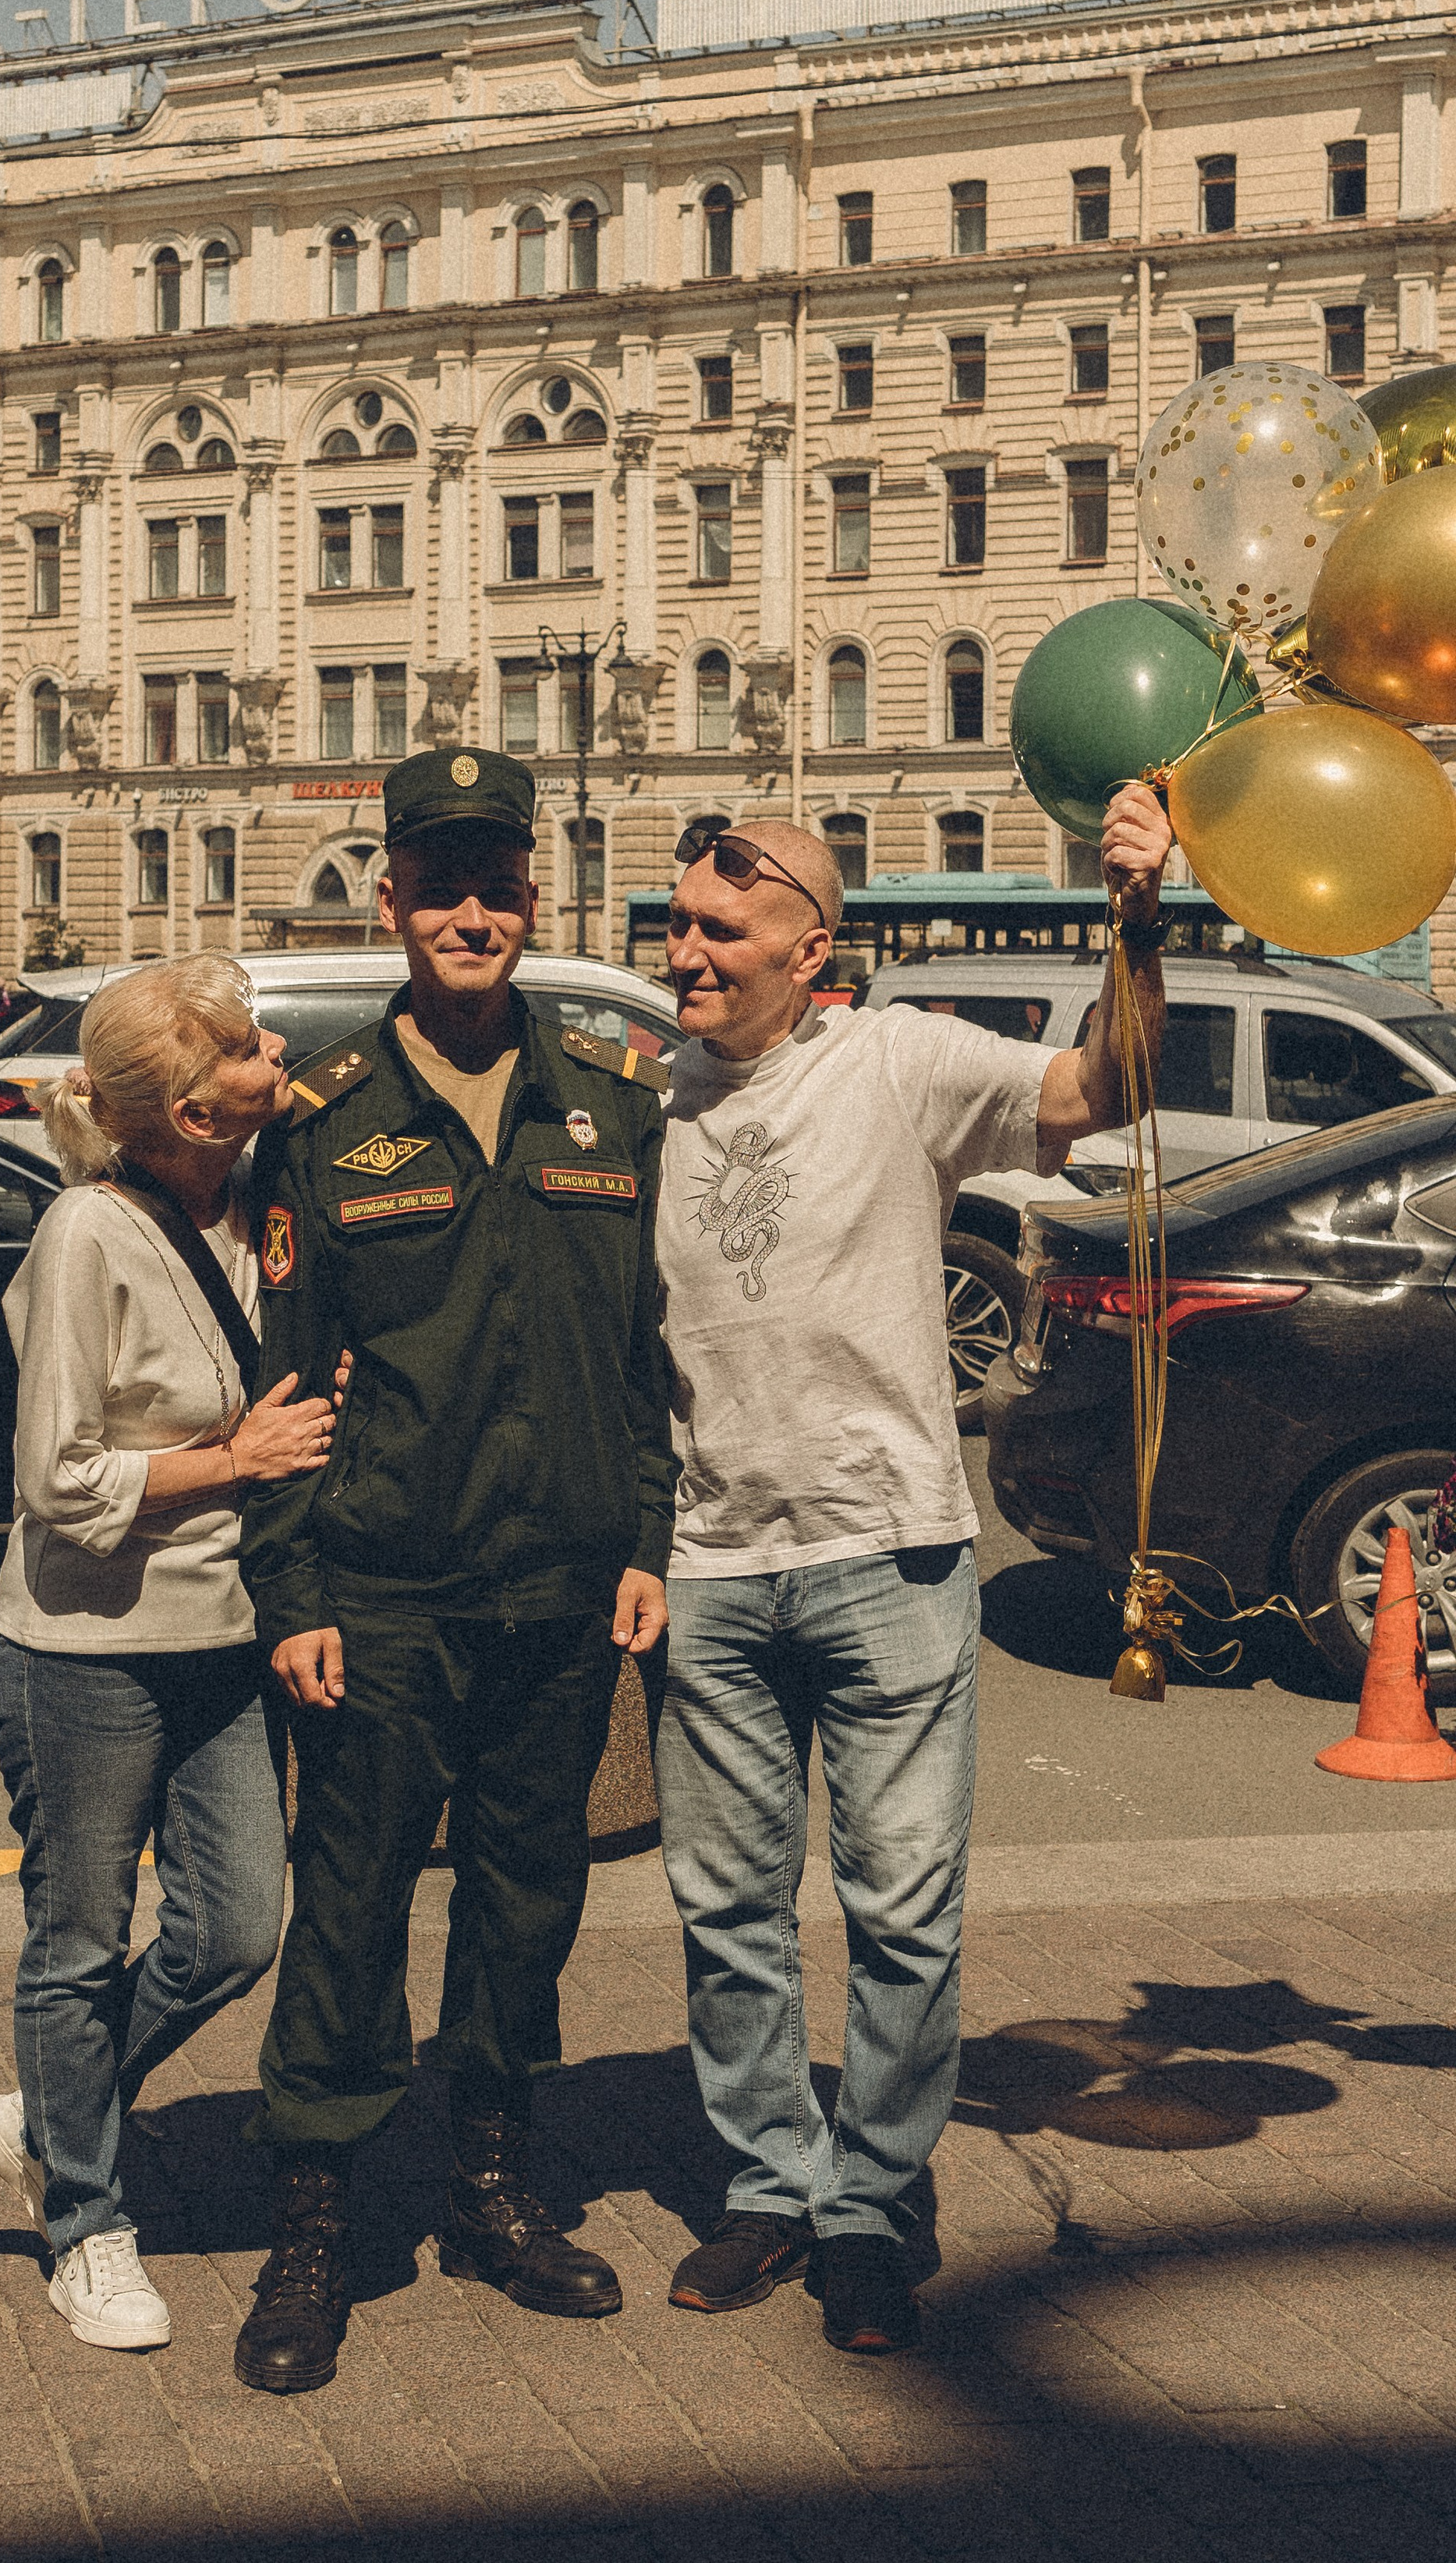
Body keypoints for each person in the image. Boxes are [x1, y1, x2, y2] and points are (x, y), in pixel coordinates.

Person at [653, 782, 1171, 2354]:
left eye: (716, 928)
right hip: (710, 1564)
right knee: (729, 1908)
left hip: (885, 1552)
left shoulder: (901, 1059)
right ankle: (763, 2182)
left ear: (811, 952)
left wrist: (1132, 918)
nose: (683, 949)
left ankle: (866, 2207)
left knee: (901, 1913)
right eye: (675, 922)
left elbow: (1106, 1089)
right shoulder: (646, 1097)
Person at [232, 746, 676, 2397]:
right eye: (440, 881)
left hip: (559, 1590)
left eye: (497, 882)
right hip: (384, 1592)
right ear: (393, 894)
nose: (470, 911)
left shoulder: (608, 1099)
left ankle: (494, 2186)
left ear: (532, 897)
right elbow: (285, 1381)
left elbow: (641, 1358)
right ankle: (317, 2223)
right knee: (345, 1914)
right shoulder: (325, 1119)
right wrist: (293, 1596)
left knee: (525, 1904)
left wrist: (645, 1539)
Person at [0, 956, 341, 2354]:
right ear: (192, 1108)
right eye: (250, 1047)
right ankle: (86, 2227)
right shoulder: (86, 1232)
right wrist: (233, 1459)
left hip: (223, 1635)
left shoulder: (259, 1207)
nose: (276, 1052)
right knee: (77, 1940)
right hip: (83, 1648)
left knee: (238, 1925)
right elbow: (58, 1477)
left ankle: (53, 2115)